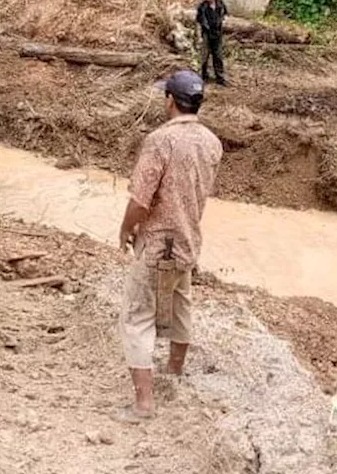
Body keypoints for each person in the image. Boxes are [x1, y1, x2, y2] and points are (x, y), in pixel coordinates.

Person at [116, 70, 223, 421]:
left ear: (170, 101)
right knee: (180, 303)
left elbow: (141, 201)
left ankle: (144, 404)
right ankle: (175, 369)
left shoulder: (160, 141)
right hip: (189, 239)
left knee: (137, 316)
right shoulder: (212, 142)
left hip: (158, 243)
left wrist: (125, 229)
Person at [195, 0, 228, 86]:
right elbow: (198, 21)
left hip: (217, 34)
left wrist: (224, 23)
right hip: (206, 34)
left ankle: (220, 78)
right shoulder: (202, 7)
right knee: (204, 56)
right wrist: (199, 36)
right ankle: (204, 76)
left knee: (218, 56)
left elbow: (225, 15)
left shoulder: (220, 4)